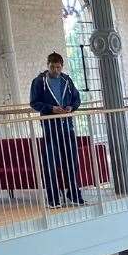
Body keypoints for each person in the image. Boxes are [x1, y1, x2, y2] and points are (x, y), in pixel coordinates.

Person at [29, 52, 86, 207]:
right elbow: (34, 103)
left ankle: (74, 195)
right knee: (50, 164)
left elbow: (76, 99)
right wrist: (51, 108)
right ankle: (53, 198)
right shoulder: (39, 82)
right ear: (48, 66)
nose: (55, 70)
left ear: (62, 66)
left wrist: (71, 107)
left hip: (67, 127)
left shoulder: (66, 80)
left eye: (58, 67)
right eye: (52, 67)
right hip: (50, 129)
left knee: (72, 162)